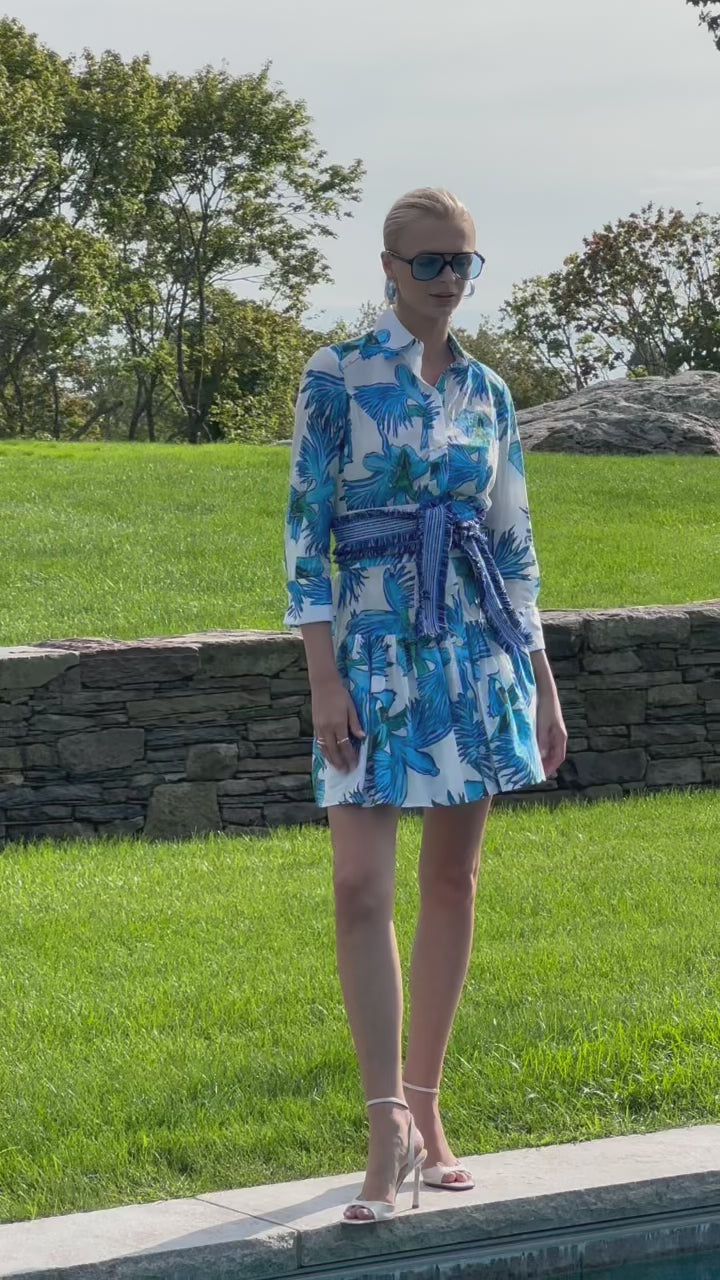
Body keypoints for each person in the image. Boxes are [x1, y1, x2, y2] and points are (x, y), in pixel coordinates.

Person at [282, 187, 568, 1225]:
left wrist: (541, 678)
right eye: (431, 261)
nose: (449, 278)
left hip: (475, 656)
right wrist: (322, 674)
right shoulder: (338, 374)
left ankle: (428, 1106)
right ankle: (381, 1125)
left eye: (464, 263)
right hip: (368, 657)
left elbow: (516, 545)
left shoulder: (490, 391)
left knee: (454, 879)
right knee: (360, 885)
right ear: (391, 268)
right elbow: (304, 532)